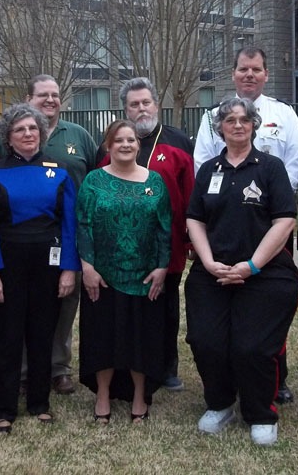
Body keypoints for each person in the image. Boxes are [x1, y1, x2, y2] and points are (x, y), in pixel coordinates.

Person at [192, 46, 298, 403]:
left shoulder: (284, 114)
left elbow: (296, 161)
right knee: (221, 314)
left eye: (256, 69)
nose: (249, 75)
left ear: (266, 74)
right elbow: (203, 163)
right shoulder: (212, 115)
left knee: (267, 307)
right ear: (234, 73)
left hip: (270, 224)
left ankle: (274, 376)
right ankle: (229, 379)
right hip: (223, 225)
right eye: (243, 69)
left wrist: (270, 197)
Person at [185, 97, 298, 446]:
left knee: (252, 347)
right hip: (214, 272)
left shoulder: (270, 168)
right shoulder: (209, 170)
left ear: (253, 126)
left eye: (244, 119)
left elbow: (285, 220)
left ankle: (261, 412)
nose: (237, 125)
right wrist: (207, 262)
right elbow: (194, 219)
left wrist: (251, 266)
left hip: (265, 273)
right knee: (206, 342)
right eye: (230, 120)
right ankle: (220, 404)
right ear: (220, 128)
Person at [0, 74, 97, 395]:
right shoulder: (7, 139)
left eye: (55, 94)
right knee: (26, 305)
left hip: (69, 235)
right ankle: (26, 370)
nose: (51, 100)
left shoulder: (79, 135)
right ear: (28, 99)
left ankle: (59, 367)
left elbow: (95, 176)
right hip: (22, 239)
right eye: (43, 95)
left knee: (64, 302)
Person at [0, 104, 79, 433]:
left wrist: (68, 269)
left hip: (48, 262)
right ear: (8, 137)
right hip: (7, 263)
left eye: (33, 128)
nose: (27, 134)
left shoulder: (60, 170)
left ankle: (39, 402)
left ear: (41, 133)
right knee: (7, 335)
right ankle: (4, 408)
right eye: (20, 129)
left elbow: (69, 224)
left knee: (42, 333)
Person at [98, 77, 194, 392]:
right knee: (127, 308)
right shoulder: (112, 143)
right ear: (125, 109)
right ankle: (127, 366)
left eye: (146, 102)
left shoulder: (178, 142)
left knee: (165, 308)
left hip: (168, 245)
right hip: (122, 248)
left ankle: (166, 368)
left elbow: (190, 195)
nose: (141, 109)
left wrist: (190, 239)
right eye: (134, 104)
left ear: (156, 104)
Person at [77, 120, 172, 424]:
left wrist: (162, 267)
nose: (125, 145)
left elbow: (164, 228)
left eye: (131, 140)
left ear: (138, 145)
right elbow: (83, 225)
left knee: (140, 339)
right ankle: (103, 395)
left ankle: (139, 396)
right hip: (103, 276)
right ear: (108, 145)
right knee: (103, 337)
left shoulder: (154, 181)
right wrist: (88, 267)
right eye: (119, 140)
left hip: (144, 278)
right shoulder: (93, 180)